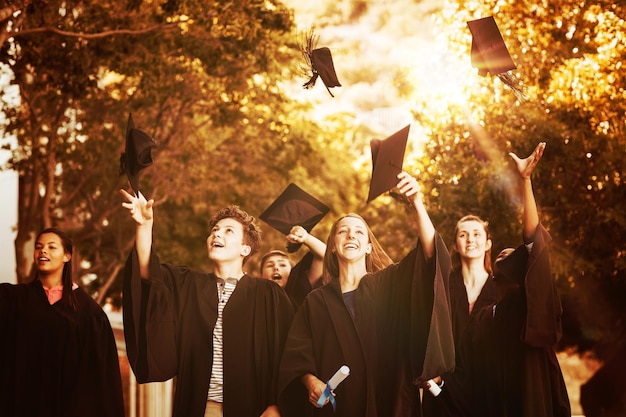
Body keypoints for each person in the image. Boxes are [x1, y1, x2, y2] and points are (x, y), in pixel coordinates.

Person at [278, 171, 454, 417]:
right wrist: (310, 382)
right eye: (343, 231)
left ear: (369, 247)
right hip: (338, 407)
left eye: (359, 232)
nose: (351, 235)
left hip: (390, 403)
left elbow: (428, 256)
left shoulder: (390, 283)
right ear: (332, 249)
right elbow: (298, 355)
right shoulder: (316, 301)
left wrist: (416, 201)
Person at [424, 142, 571, 417]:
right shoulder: (478, 317)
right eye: (463, 235)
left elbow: (533, 245)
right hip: (480, 403)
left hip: (525, 402)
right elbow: (464, 380)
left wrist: (525, 181)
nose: (471, 240)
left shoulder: (524, 308)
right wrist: (436, 386)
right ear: (454, 244)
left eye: (477, 234)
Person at [120, 190, 294, 417]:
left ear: (245, 249)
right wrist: (144, 226)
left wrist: (276, 405)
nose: (216, 235)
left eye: (228, 231)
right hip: (200, 407)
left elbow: (288, 353)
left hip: (254, 408)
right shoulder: (189, 285)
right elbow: (148, 274)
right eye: (214, 230)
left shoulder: (268, 295)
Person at [0, 228, 125, 417]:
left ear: (67, 256)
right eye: (39, 247)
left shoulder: (88, 312)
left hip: (68, 408)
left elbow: (99, 378)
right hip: (22, 404)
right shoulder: (14, 300)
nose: (43, 251)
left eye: (52, 247)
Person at [260, 225, 326, 310]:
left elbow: (323, 256)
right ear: (260, 275)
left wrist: (305, 238)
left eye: (282, 265)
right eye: (270, 265)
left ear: (291, 272)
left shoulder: (300, 290)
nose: (276, 268)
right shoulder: (256, 299)